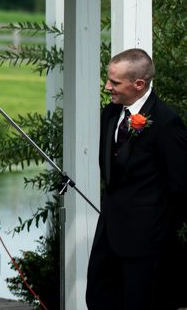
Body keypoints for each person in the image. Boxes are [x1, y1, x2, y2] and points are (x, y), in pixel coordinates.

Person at [86, 48, 187, 310]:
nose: (108, 87)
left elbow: (181, 187)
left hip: (147, 244)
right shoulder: (110, 114)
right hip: (108, 235)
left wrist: (157, 228)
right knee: (98, 299)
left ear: (139, 84)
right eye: (109, 79)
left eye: (115, 82)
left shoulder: (166, 122)